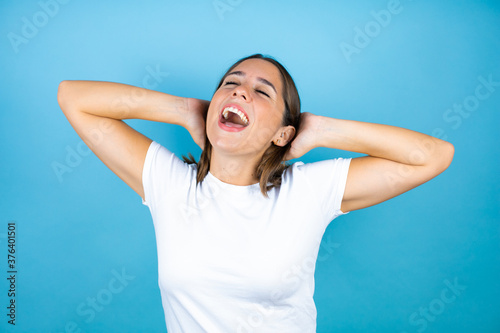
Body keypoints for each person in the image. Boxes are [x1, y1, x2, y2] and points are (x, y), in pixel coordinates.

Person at [57, 54, 454, 332]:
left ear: (284, 133)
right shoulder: (169, 182)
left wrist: (322, 130)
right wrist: (184, 109)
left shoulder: (308, 190)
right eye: (230, 84)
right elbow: (73, 97)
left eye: (262, 92)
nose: (240, 92)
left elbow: (433, 156)